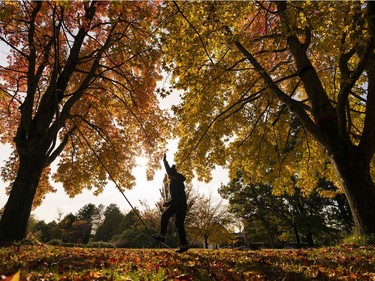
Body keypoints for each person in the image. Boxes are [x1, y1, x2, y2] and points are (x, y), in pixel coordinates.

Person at [153, 154, 189, 253]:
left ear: (174, 176)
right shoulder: (173, 178)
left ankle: (184, 245)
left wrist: (168, 203)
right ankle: (162, 236)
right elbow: (168, 169)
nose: (169, 177)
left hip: (181, 205)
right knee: (164, 216)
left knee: (179, 225)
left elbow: (178, 198)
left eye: (170, 176)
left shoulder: (179, 184)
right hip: (175, 204)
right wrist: (165, 161)